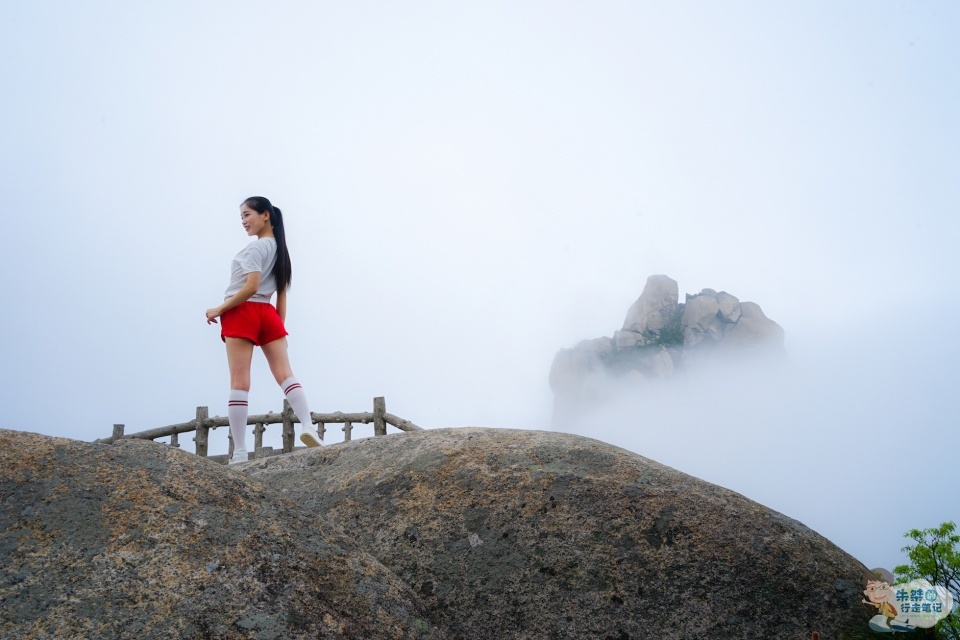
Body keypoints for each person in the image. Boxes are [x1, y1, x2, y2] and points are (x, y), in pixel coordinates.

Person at [205, 196, 322, 464]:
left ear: (265, 215)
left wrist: (219, 309)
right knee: (285, 374)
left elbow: (251, 287)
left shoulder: (255, 249)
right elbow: (280, 296)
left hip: (242, 311)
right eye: (242, 217)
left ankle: (241, 450)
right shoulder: (281, 253)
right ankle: (308, 426)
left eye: (247, 215)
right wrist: (279, 327)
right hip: (268, 314)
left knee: (239, 382)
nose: (244, 221)